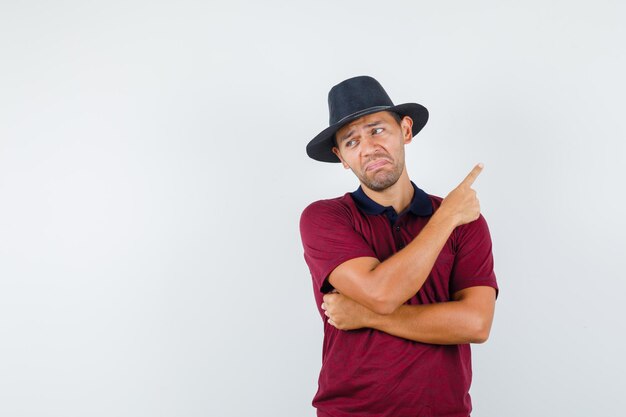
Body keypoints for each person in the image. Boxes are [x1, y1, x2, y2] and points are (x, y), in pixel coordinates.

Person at [299, 76, 499, 417]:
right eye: (351, 141)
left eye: (377, 130)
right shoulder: (325, 218)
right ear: (342, 157)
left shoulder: (464, 223)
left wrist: (364, 316)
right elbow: (382, 293)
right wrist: (446, 217)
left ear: (405, 131)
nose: (367, 148)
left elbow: (475, 324)